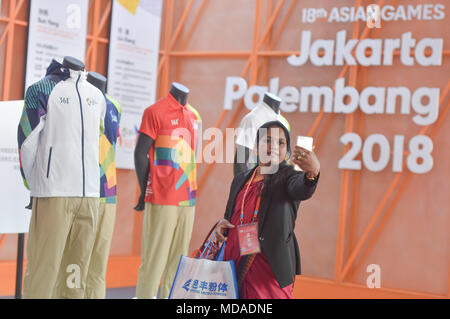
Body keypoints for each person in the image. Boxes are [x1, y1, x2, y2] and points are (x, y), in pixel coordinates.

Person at [214, 120, 320, 299]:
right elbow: (229, 215)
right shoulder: (241, 179)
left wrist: (312, 174)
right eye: (268, 140)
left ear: (287, 151)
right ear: (256, 146)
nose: (274, 146)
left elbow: (301, 188)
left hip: (268, 268)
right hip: (235, 262)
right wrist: (223, 224)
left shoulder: (288, 176)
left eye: (281, 143)